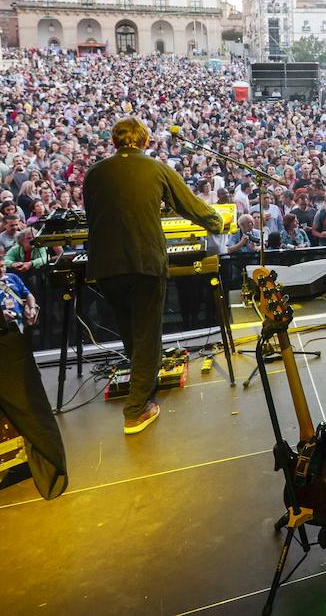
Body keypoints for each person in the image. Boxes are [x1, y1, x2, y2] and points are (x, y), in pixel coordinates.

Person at [82, 117, 223, 437]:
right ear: (144, 140)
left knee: (131, 332)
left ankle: (146, 388)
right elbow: (188, 205)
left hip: (105, 265)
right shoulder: (155, 168)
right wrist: (215, 221)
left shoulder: (93, 173)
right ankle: (135, 410)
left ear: (115, 141)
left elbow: (93, 216)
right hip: (143, 261)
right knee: (147, 334)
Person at [0, 251, 37, 331]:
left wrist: (32, 308)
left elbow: (28, 295)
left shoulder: (13, 277)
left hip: (19, 321)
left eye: (2, 266)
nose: (0, 270)